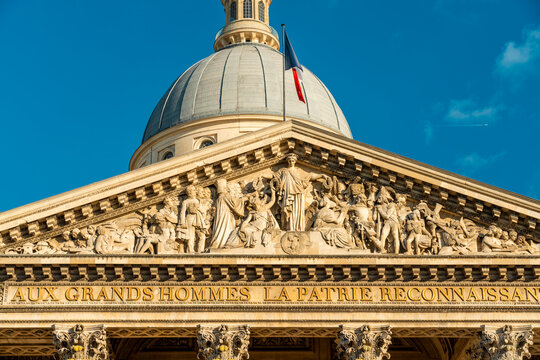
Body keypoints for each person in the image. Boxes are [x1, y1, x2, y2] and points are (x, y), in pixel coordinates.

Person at [272, 154, 329, 231]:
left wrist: (321, 175)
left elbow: (310, 177)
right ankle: (289, 227)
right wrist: (262, 176)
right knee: (287, 211)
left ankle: (297, 227)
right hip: (288, 194)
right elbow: (273, 176)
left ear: (295, 162)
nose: (291, 162)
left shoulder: (298, 172)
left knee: (297, 211)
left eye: (292, 161)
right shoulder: (283, 171)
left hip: (298, 194)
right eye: (289, 160)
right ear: (287, 161)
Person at [209, 179, 245, 249]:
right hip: (226, 217)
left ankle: (218, 242)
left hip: (222, 217)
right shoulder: (225, 197)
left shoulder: (218, 199)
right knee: (226, 229)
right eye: (226, 189)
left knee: (220, 228)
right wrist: (247, 197)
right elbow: (236, 203)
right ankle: (223, 243)